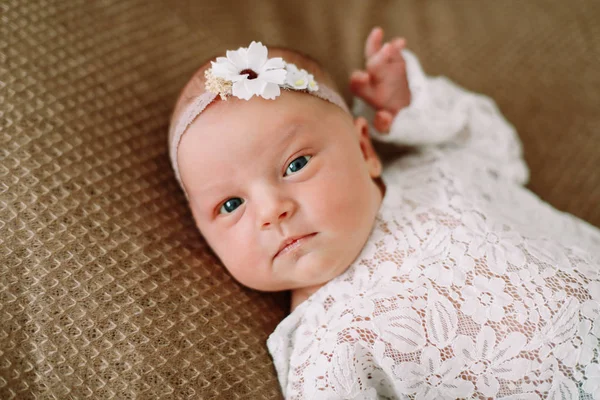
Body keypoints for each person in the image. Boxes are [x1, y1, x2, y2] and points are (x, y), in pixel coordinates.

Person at [168, 27, 600, 399]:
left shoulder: (436, 165)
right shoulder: (326, 344)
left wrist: (408, 107)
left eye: (295, 164)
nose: (271, 210)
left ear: (363, 148)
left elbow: (500, 150)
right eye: (230, 205)